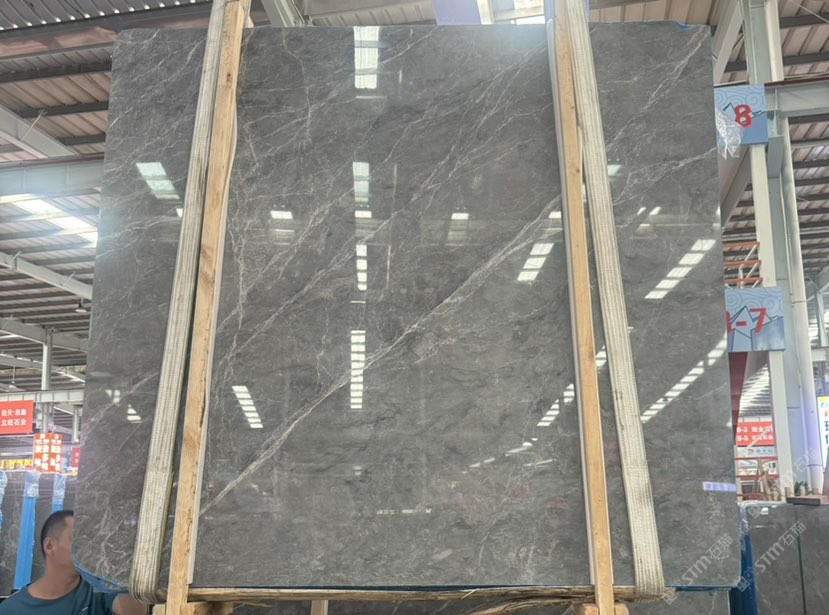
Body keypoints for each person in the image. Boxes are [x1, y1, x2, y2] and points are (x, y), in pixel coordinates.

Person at [0, 510, 147, 614]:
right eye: (78, 540)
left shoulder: (98, 591)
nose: (88, 547)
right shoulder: (11, 609)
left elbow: (135, 611)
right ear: (49, 546)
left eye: (90, 540)